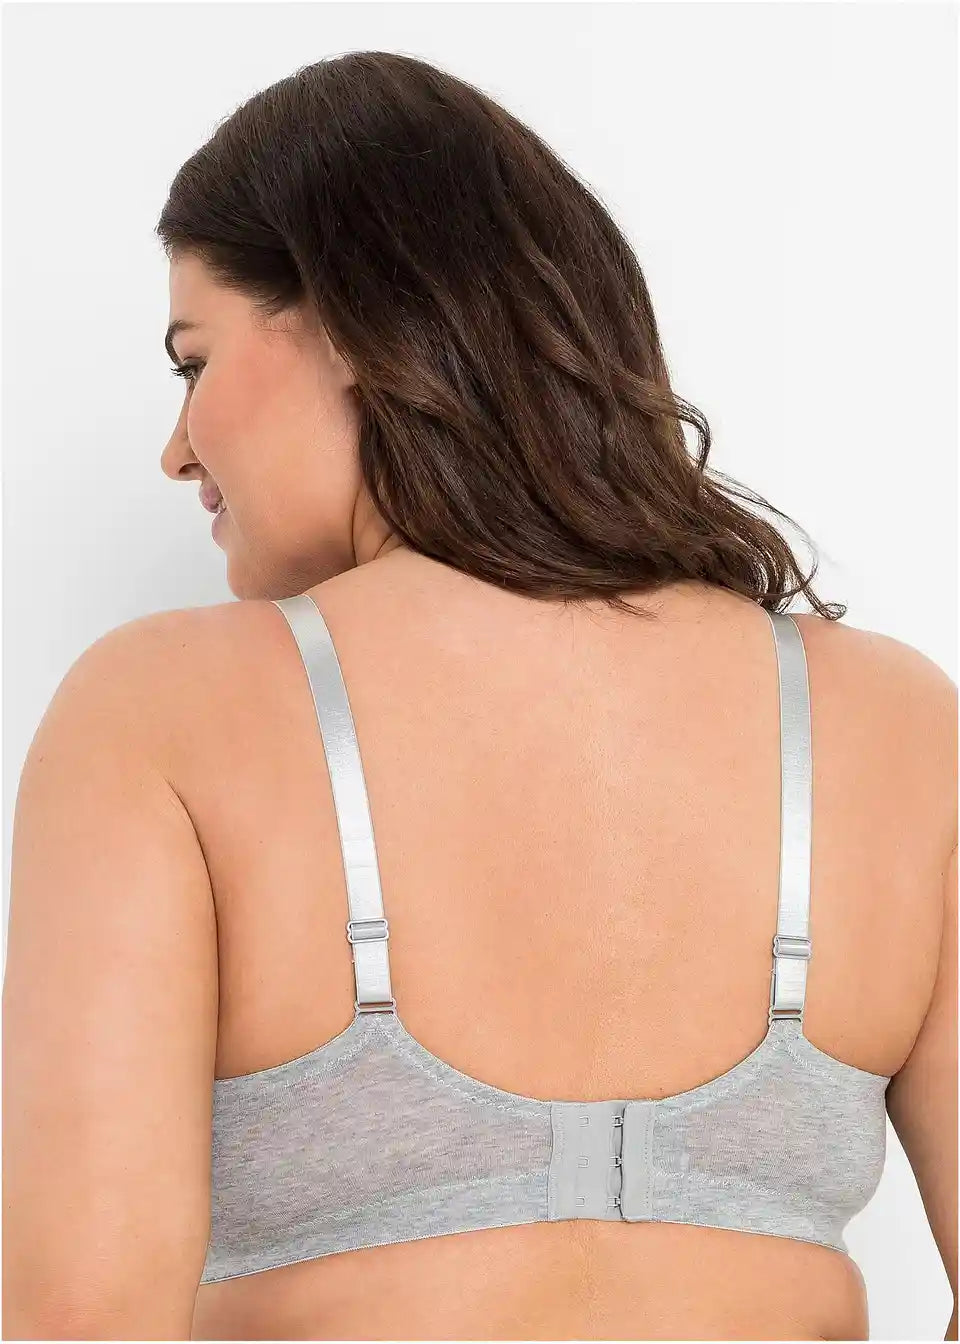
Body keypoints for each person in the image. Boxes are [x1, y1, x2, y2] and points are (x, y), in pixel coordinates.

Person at [3, 50, 955, 1343]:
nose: (178, 448)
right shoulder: (894, 727)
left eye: (193, 361)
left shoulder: (163, 711)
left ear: (352, 324)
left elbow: (80, 1316)